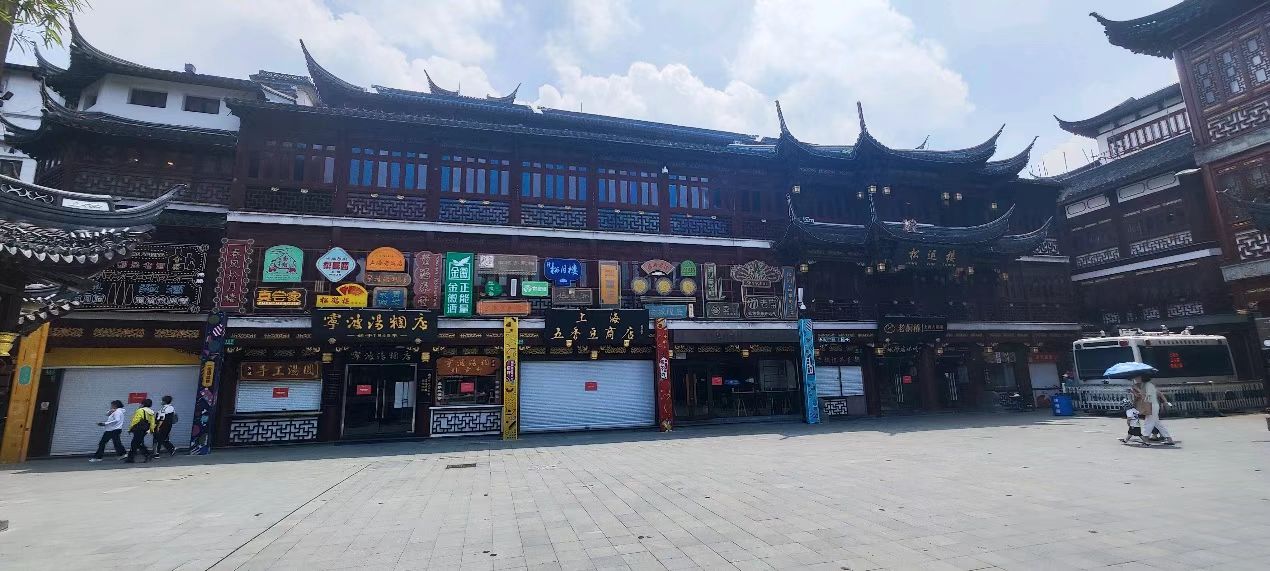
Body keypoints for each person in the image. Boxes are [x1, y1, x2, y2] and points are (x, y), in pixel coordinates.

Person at [1132, 376, 1175, 445]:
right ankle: (1169, 440)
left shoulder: (1148, 385)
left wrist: (1137, 389)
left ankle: (1145, 440)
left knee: (1148, 422)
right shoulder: (1145, 385)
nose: (1136, 379)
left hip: (1152, 405)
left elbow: (1146, 395)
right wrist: (1134, 392)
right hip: (1151, 405)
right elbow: (1140, 396)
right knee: (1157, 423)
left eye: (1137, 378)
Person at [125, 398, 156, 463]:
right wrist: (151, 430)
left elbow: (135, 420)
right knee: (137, 443)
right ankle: (132, 457)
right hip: (145, 429)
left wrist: (130, 428)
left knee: (135, 443)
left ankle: (145, 455)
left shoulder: (140, 410)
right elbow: (153, 422)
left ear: (143, 404)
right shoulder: (151, 412)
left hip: (138, 429)